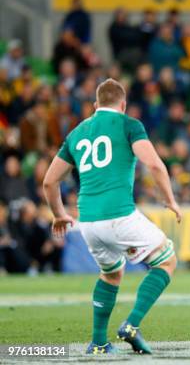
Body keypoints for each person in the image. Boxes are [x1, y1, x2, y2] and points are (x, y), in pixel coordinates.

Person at [43, 79, 182, 355]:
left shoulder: (76, 133)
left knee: (111, 273)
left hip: (88, 222)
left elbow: (49, 182)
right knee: (167, 260)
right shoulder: (129, 125)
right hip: (119, 215)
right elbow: (154, 163)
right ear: (124, 104)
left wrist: (59, 215)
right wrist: (169, 199)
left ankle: (98, 343)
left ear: (96, 106)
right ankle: (132, 324)